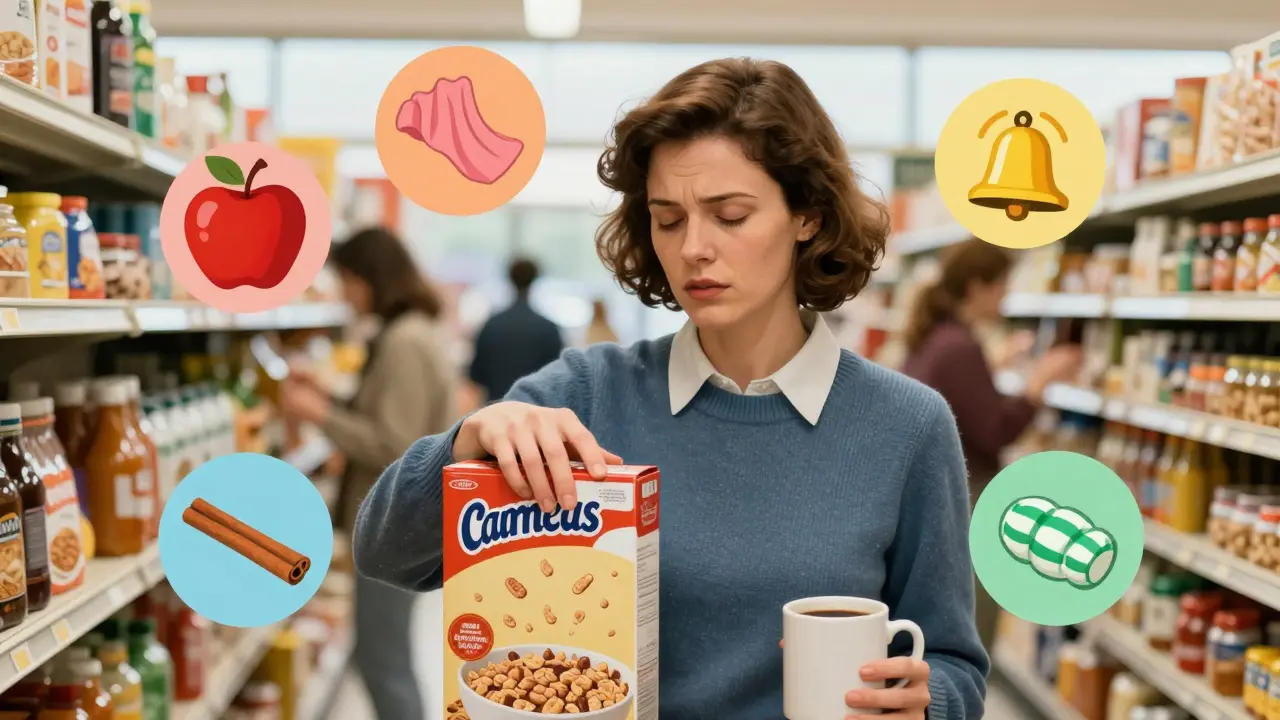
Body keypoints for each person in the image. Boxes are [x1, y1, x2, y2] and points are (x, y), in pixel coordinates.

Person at [354, 59, 986, 719]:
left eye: (730, 215)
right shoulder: (587, 395)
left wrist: (926, 702)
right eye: (669, 219)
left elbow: (953, 664)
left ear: (808, 216)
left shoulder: (906, 427)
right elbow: (383, 551)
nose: (693, 249)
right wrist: (467, 442)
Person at [278, 227, 456, 720]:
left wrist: (319, 415)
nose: (345, 294)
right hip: (406, 521)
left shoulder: (404, 341)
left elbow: (395, 445)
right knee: (378, 652)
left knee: (385, 662)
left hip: (400, 523)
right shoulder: (412, 332)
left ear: (371, 278)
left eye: (349, 281)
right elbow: (389, 421)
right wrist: (331, 398)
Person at [900, 237, 1082, 651]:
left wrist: (993, 366)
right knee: (972, 626)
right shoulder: (959, 346)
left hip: (940, 493)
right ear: (978, 286)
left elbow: (956, 402)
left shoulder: (941, 337)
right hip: (970, 494)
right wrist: (1039, 384)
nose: (1007, 296)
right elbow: (995, 430)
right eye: (1003, 285)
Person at [467, 257, 564, 402]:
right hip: (536, 412)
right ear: (535, 279)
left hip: (495, 411)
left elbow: (476, 375)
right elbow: (558, 377)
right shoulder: (548, 328)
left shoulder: (492, 325)